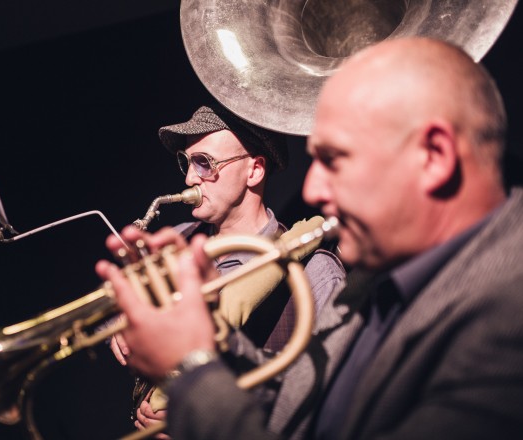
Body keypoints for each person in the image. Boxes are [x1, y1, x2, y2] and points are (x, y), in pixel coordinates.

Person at [96, 36, 523, 439]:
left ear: (435, 156)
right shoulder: (371, 284)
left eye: (334, 160)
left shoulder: (508, 311)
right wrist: (211, 334)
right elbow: (300, 403)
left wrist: (194, 373)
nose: (314, 191)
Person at [108, 104, 346, 435]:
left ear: (254, 171)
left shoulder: (314, 270)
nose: (190, 178)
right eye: (187, 162)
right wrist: (123, 319)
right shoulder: (177, 240)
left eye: (205, 163)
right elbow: (112, 315)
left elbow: (325, 400)